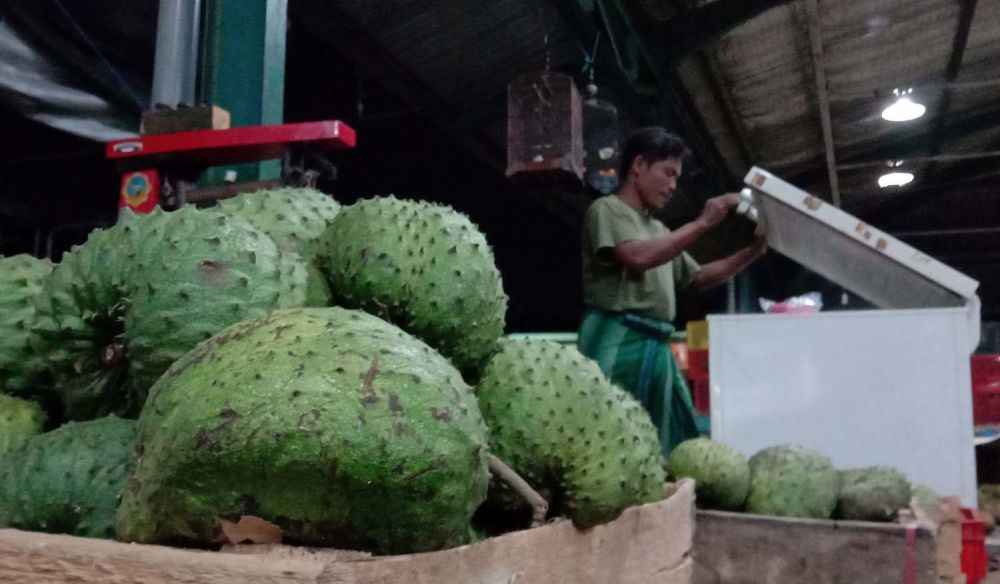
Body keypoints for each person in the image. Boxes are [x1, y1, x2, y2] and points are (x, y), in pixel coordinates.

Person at [577, 126, 767, 455]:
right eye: (668, 173)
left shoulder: (659, 229)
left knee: (666, 444)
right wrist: (703, 223)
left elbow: (696, 278)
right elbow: (636, 257)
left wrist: (751, 253)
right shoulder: (607, 210)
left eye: (677, 177)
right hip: (617, 342)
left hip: (655, 345)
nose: (672, 186)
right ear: (638, 166)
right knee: (608, 442)